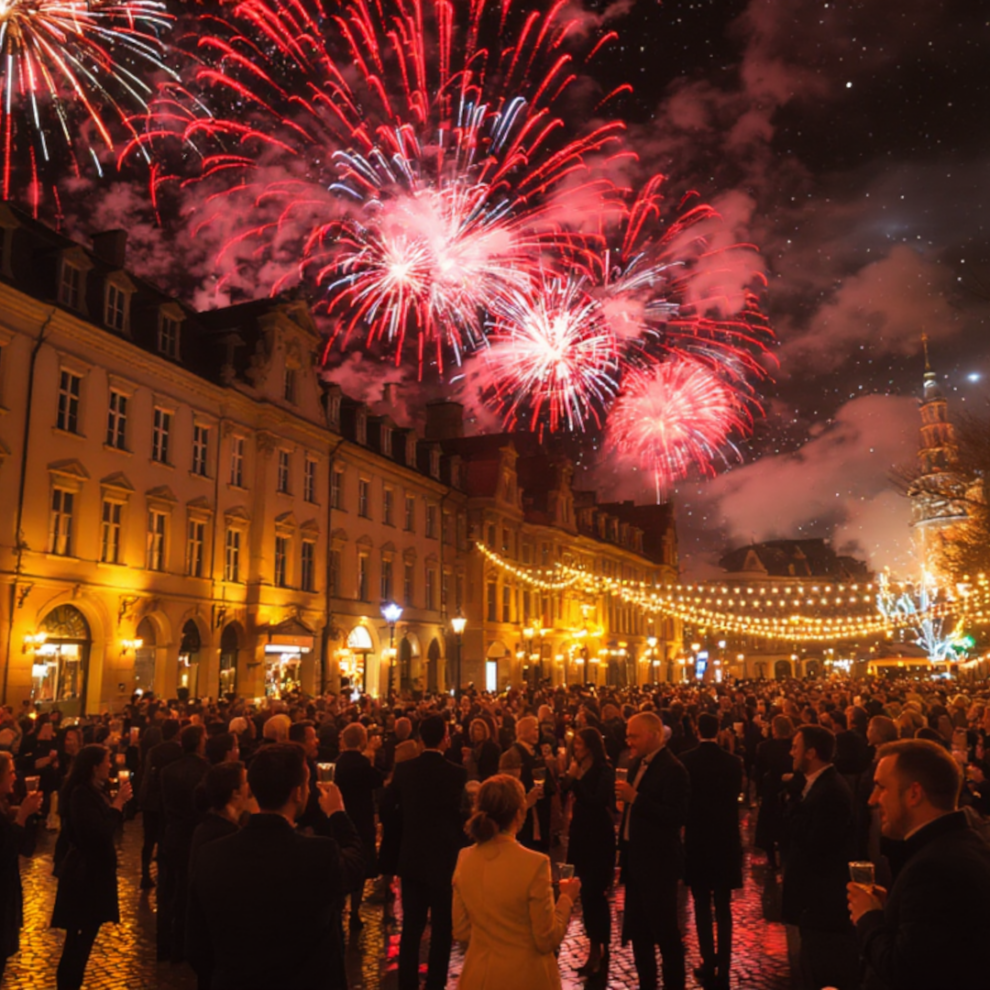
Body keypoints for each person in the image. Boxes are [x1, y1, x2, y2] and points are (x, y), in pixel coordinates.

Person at [186, 743, 363, 990]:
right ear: (297, 793)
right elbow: (355, 866)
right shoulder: (318, 854)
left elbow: (197, 943)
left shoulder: (210, 855)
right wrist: (337, 813)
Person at [847, 738, 990, 990]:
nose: (873, 799)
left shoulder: (934, 869)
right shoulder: (965, 843)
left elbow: (907, 971)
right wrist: (891, 912)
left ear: (914, 793)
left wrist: (868, 918)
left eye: (881, 787)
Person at [452, 774, 580, 990]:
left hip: (479, 976)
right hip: (526, 976)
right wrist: (566, 898)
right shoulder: (534, 864)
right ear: (519, 813)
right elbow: (546, 939)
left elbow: (462, 930)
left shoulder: (465, 858)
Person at [391, 713, 468, 990]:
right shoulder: (456, 773)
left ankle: (407, 983)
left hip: (412, 856)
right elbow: (461, 815)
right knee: (442, 929)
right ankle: (435, 982)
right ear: (445, 738)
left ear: (420, 739)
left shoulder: (405, 770)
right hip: (444, 858)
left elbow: (389, 808)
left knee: (411, 928)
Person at [616, 711, 689, 990]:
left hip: (658, 864)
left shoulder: (673, 769)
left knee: (665, 932)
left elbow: (676, 816)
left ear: (653, 735)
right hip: (635, 861)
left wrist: (636, 799)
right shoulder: (636, 763)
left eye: (633, 736)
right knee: (639, 933)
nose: (628, 741)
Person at [781, 724, 858, 990]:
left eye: (796, 747)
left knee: (819, 970)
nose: (791, 752)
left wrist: (793, 803)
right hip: (813, 901)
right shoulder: (818, 785)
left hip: (821, 901)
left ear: (811, 753)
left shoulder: (831, 791)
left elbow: (816, 842)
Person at [50, 744, 132, 990]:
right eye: (107, 761)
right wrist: (117, 805)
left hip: (92, 875)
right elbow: (98, 833)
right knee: (79, 942)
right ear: (95, 767)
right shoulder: (81, 794)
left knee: (82, 940)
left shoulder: (92, 791)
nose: (110, 765)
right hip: (85, 880)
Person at [679, 713, 744, 990]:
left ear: (697, 729)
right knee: (723, 906)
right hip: (725, 839)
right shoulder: (733, 762)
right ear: (718, 730)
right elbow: (736, 795)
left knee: (702, 904)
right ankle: (725, 963)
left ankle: (708, 960)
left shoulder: (686, 761)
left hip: (698, 839)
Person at [186, 761, 251, 990]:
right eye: (246, 782)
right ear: (235, 793)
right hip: (220, 951)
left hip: (208, 946)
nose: (250, 787)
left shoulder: (207, 828)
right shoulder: (224, 837)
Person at [558, 727, 615, 978]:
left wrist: (577, 781)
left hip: (598, 836)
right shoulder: (575, 767)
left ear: (591, 746)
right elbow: (563, 791)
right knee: (584, 893)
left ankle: (600, 948)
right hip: (580, 835)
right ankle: (594, 948)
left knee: (595, 893)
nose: (576, 749)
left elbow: (596, 800)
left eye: (580, 744)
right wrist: (568, 778)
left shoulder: (604, 770)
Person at [159, 723, 210, 963]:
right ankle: (185, 943)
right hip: (193, 836)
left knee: (170, 891)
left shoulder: (168, 771)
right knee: (189, 892)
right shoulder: (206, 770)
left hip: (173, 834)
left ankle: (167, 944)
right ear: (199, 743)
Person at [334, 722, 384, 932]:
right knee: (360, 865)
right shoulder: (363, 763)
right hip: (362, 818)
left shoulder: (338, 763)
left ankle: (339, 908)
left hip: (343, 815)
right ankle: (355, 910)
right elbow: (377, 780)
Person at [0, 752, 43, 982]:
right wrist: (21, 817)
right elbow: (5, 852)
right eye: (10, 772)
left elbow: (26, 849)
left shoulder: (6, 807)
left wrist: (29, 817)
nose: (15, 777)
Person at [514, 716, 556, 853]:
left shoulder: (533, 752)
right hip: (527, 810)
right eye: (534, 730)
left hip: (537, 808)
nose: (537, 734)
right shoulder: (515, 755)